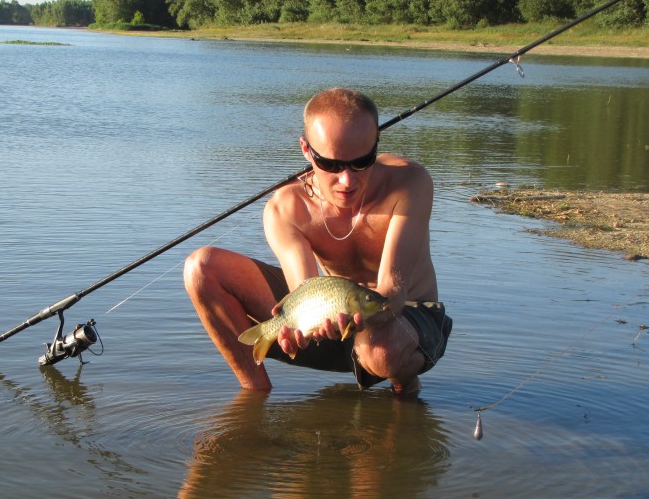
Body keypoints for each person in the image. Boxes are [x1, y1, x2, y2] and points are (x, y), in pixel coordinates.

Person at [184, 87, 451, 396]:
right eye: (332, 165)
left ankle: (405, 386)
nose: (347, 180)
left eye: (362, 161)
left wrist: (356, 320)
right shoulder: (286, 208)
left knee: (381, 349)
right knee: (202, 268)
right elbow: (305, 290)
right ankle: (254, 396)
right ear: (307, 150)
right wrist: (298, 329)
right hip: (332, 320)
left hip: (405, 320)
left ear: (375, 143)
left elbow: (393, 291)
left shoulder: (410, 184)